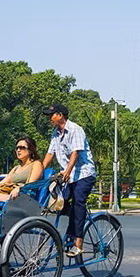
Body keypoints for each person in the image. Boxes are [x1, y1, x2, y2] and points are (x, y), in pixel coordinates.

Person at [41, 104, 96, 257]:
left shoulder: (75, 129)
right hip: (68, 176)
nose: (50, 119)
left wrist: (68, 171)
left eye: (51, 115)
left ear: (60, 115)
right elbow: (49, 154)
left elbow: (75, 153)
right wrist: (39, 171)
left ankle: (78, 243)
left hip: (83, 174)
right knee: (60, 204)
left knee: (78, 202)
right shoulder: (55, 134)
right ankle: (78, 219)